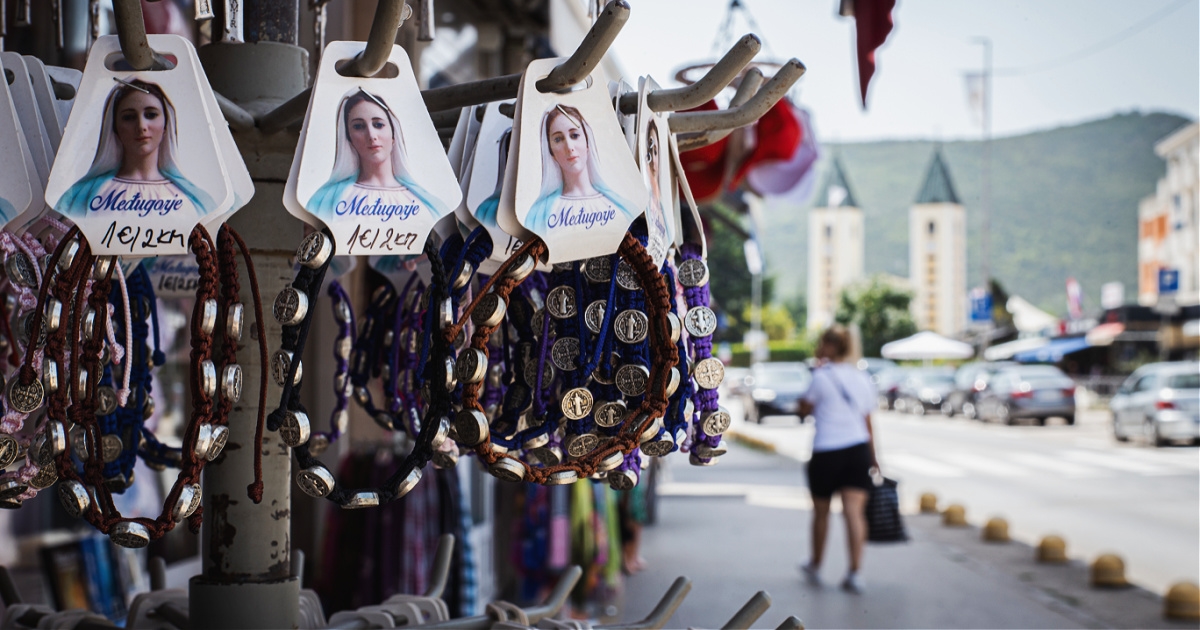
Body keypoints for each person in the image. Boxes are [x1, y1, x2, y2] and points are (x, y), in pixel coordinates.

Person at [57, 78, 213, 218]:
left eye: (151, 115)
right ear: (115, 127)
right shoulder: (82, 197)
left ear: (166, 124)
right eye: (129, 117)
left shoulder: (193, 201)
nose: (141, 126)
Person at [797, 325, 878, 593]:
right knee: (854, 513)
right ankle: (855, 572)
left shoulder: (820, 377)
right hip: (858, 451)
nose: (819, 348)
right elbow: (868, 423)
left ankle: (816, 564)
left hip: (827, 452)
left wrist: (818, 369)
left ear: (831, 347)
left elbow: (803, 409)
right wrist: (874, 459)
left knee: (821, 513)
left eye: (822, 343)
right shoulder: (863, 378)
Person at [308, 88, 447, 222]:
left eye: (378, 125)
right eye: (358, 126)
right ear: (348, 137)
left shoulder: (425, 204)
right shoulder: (325, 200)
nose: (371, 135)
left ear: (394, 134)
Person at [523, 104, 637, 238]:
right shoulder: (538, 215)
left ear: (587, 142)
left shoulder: (621, 207)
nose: (569, 147)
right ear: (551, 151)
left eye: (574, 135)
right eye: (558, 139)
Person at [642, 122, 671, 261]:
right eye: (649, 151)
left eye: (655, 152)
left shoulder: (664, 207)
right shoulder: (640, 196)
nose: (653, 159)